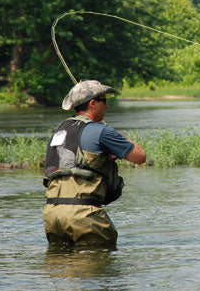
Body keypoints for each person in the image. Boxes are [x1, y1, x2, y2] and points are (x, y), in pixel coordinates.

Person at [42, 80, 146, 246]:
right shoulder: (102, 131)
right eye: (104, 101)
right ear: (92, 103)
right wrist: (120, 137)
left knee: (60, 267)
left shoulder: (59, 131)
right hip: (84, 215)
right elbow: (140, 157)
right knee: (97, 267)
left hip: (52, 214)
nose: (107, 106)